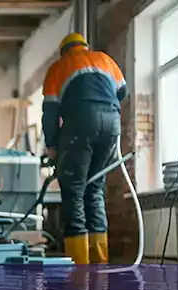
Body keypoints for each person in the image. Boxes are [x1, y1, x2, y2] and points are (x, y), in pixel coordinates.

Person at [41, 32, 128, 265]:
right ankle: (100, 263)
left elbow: (50, 111)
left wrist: (52, 145)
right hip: (112, 124)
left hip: (81, 122)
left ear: (64, 51)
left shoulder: (59, 67)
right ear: (84, 46)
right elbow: (122, 92)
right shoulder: (105, 59)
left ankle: (79, 265)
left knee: (74, 191)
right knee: (95, 189)